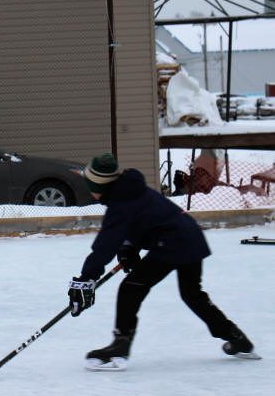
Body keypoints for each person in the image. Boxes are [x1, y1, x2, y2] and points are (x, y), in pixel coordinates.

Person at [68, 153, 259, 371]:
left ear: (99, 185)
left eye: (89, 184)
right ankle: (237, 338)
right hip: (189, 236)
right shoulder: (129, 190)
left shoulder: (121, 202)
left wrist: (86, 279)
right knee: (192, 294)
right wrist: (129, 249)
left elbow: (105, 245)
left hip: (172, 242)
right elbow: (143, 220)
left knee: (131, 288)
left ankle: (120, 347)